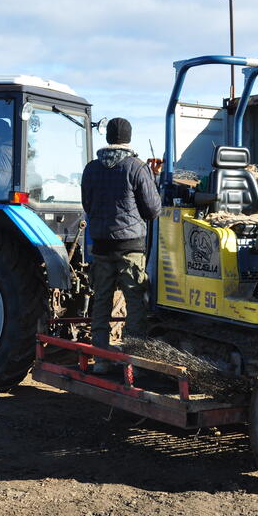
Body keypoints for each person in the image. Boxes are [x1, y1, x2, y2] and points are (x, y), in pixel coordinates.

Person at [81, 117, 161, 373]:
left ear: (106, 137)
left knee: (102, 300)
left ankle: (101, 361)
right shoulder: (137, 167)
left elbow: (87, 205)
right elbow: (153, 209)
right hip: (131, 247)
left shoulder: (91, 169)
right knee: (134, 303)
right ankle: (134, 363)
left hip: (102, 246)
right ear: (128, 137)